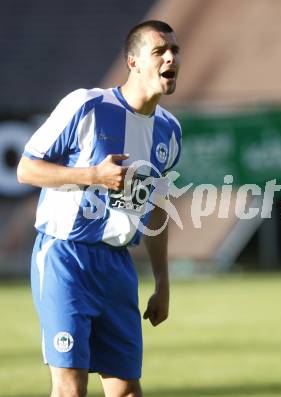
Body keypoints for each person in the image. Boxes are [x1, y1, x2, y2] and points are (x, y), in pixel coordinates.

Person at [16, 20, 182, 397]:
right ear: (133, 61)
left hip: (117, 265)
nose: (171, 57)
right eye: (159, 51)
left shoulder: (169, 131)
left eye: (175, 51)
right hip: (66, 258)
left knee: (125, 391)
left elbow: (157, 207)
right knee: (71, 389)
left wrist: (163, 283)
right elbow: (26, 169)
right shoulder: (86, 105)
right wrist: (94, 175)